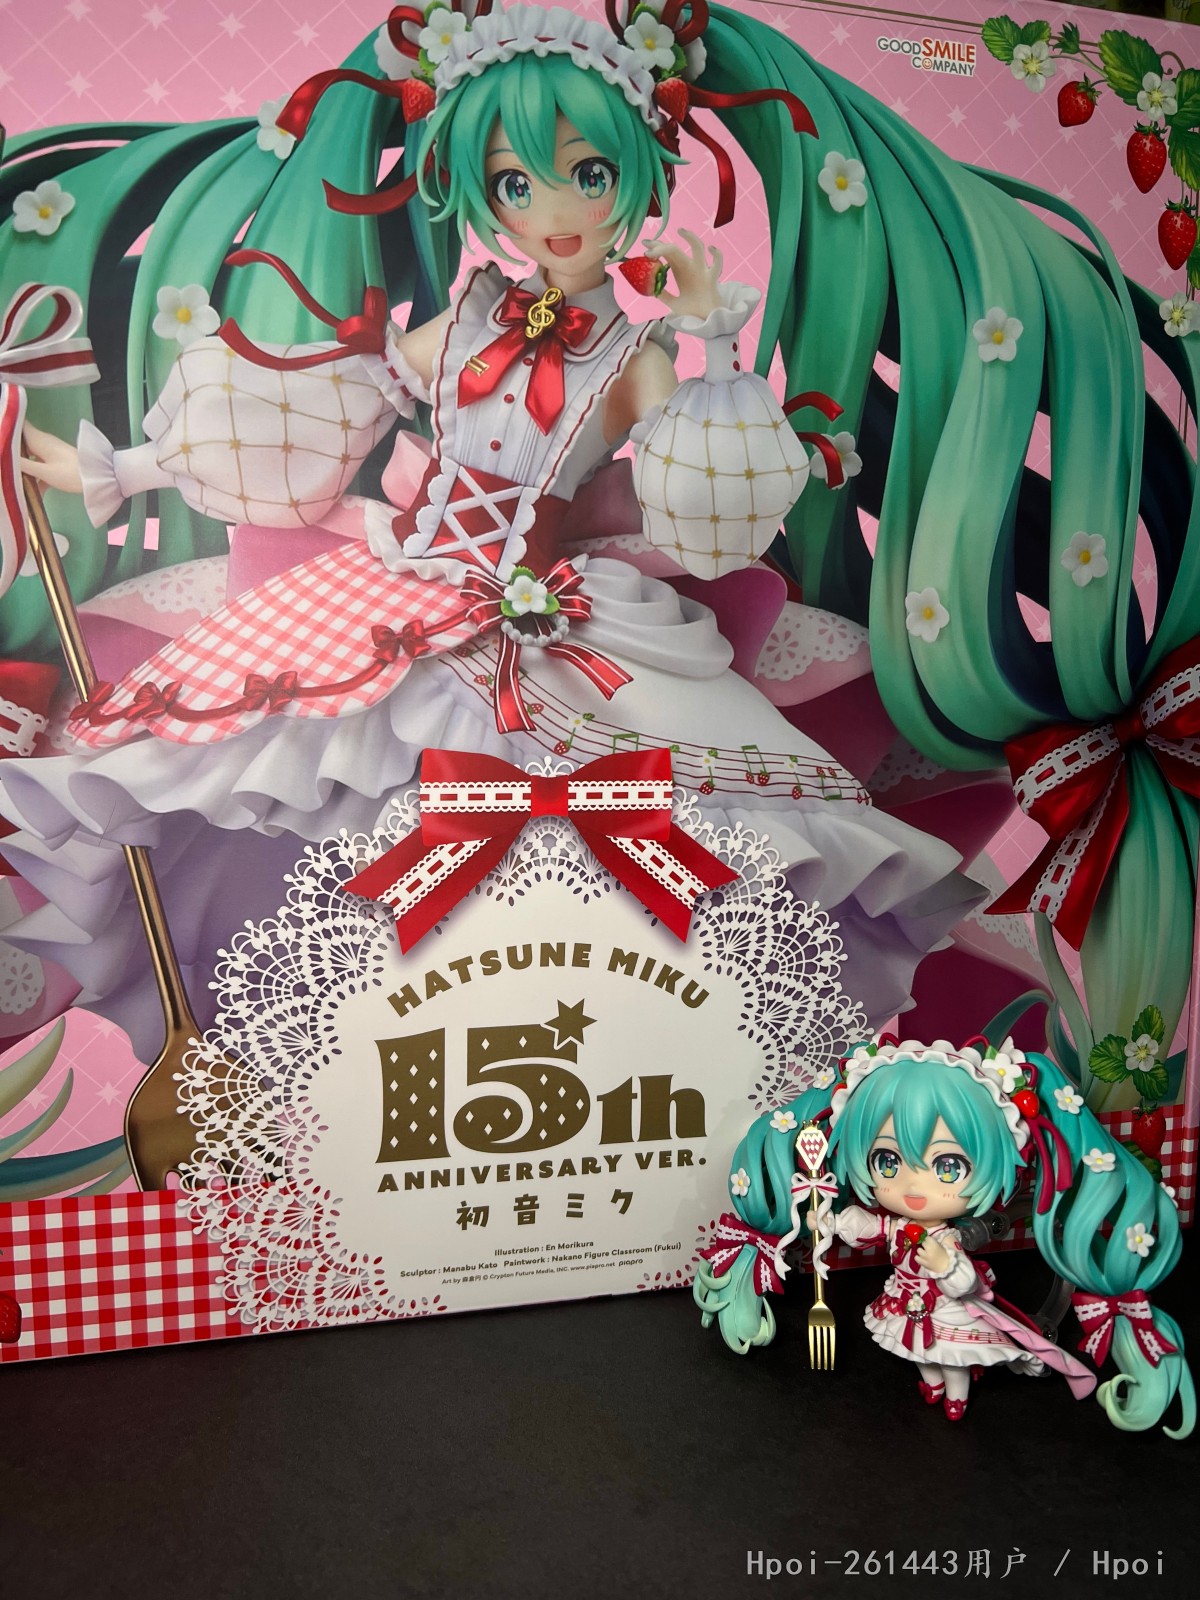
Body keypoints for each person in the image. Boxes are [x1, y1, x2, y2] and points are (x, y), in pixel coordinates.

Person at [0, 1, 983, 1104]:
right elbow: (320, 417)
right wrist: (125, 469)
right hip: (407, 584)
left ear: (637, 175)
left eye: (588, 175)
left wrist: (713, 339)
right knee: (343, 786)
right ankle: (374, 1043)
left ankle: (591, 1043)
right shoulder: (466, 314)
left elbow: (704, 495)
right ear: (481, 193)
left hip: (552, 604)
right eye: (516, 183)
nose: (554, 212)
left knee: (600, 813)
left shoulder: (638, 353)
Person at [694, 1035, 1195, 1437]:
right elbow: (869, 1227)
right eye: (887, 1161)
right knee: (921, 1356)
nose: (914, 1187)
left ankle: (955, 1395)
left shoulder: (948, 1241)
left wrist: (944, 1267)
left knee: (953, 1358)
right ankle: (934, 1387)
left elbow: (965, 1282)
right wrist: (828, 1222)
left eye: (949, 1166)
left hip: (948, 1307)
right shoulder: (899, 1225)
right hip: (908, 1305)